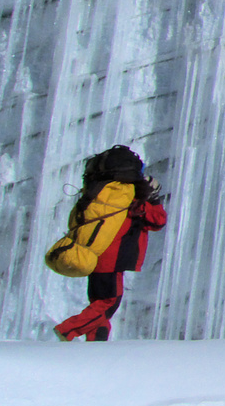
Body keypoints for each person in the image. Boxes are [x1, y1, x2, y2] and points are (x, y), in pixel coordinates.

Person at [47, 145, 167, 341]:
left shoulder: (102, 195)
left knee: (99, 302)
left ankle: (96, 343)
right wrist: (153, 199)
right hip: (112, 260)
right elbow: (158, 221)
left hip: (92, 253)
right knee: (109, 303)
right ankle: (68, 329)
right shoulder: (131, 201)